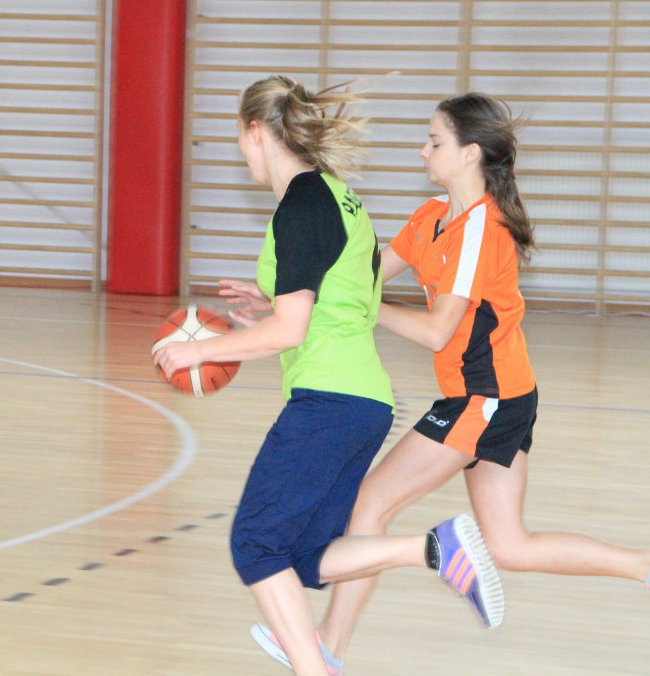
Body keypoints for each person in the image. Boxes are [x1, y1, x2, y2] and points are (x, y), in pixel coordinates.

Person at [152, 76, 504, 676]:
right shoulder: (339, 197)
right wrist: (272, 299)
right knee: (307, 555)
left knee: (255, 545)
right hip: (363, 402)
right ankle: (432, 548)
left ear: (255, 131)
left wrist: (198, 352)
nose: (240, 149)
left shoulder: (300, 206)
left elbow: (291, 331)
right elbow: (344, 300)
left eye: (238, 136)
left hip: (329, 401)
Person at [295, 93, 650, 674]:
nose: (422, 150)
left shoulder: (482, 230)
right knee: (509, 546)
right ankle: (645, 566)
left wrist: (366, 311)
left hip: (486, 398)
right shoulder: (431, 217)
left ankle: (328, 649)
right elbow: (360, 279)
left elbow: (436, 331)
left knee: (369, 504)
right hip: (503, 395)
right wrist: (286, 297)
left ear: (469, 153)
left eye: (434, 141)